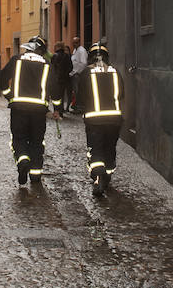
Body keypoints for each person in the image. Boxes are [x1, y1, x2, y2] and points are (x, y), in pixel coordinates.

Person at [0, 36, 62, 185]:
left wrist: (9, 96)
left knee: (19, 138)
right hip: (39, 110)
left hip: (18, 108)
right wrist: (57, 108)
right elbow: (55, 88)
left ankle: (23, 161)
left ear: (28, 47)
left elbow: (2, 79)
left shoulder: (16, 60)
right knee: (37, 141)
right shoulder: (47, 64)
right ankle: (35, 175)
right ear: (42, 51)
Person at [77, 43, 124, 196]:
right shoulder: (115, 71)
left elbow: (80, 95)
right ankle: (107, 175)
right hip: (114, 119)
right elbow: (121, 93)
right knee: (110, 147)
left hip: (94, 120)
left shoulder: (86, 72)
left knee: (96, 148)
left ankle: (98, 176)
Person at [50, 41, 73, 117]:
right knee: (62, 95)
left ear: (57, 47)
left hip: (56, 79)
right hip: (65, 78)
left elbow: (52, 68)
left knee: (56, 96)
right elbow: (70, 67)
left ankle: (57, 111)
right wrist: (66, 73)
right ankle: (61, 110)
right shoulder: (67, 56)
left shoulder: (54, 56)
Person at [69, 36, 88, 113]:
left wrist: (77, 72)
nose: (74, 44)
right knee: (75, 91)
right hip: (74, 74)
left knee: (78, 91)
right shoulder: (75, 50)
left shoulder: (82, 51)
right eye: (73, 43)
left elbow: (83, 63)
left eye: (76, 42)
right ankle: (75, 106)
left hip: (79, 74)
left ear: (79, 42)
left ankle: (79, 108)